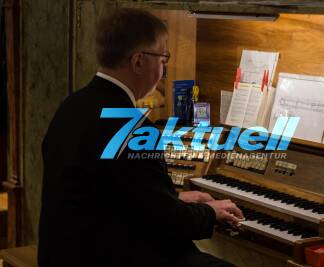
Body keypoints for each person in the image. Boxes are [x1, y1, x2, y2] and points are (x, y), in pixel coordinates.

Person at [38, 8, 243, 267]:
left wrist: (176, 198)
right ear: (138, 62)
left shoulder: (73, 105)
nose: (163, 68)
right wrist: (210, 212)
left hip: (64, 253)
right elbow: (166, 221)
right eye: (163, 59)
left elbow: (109, 192)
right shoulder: (134, 128)